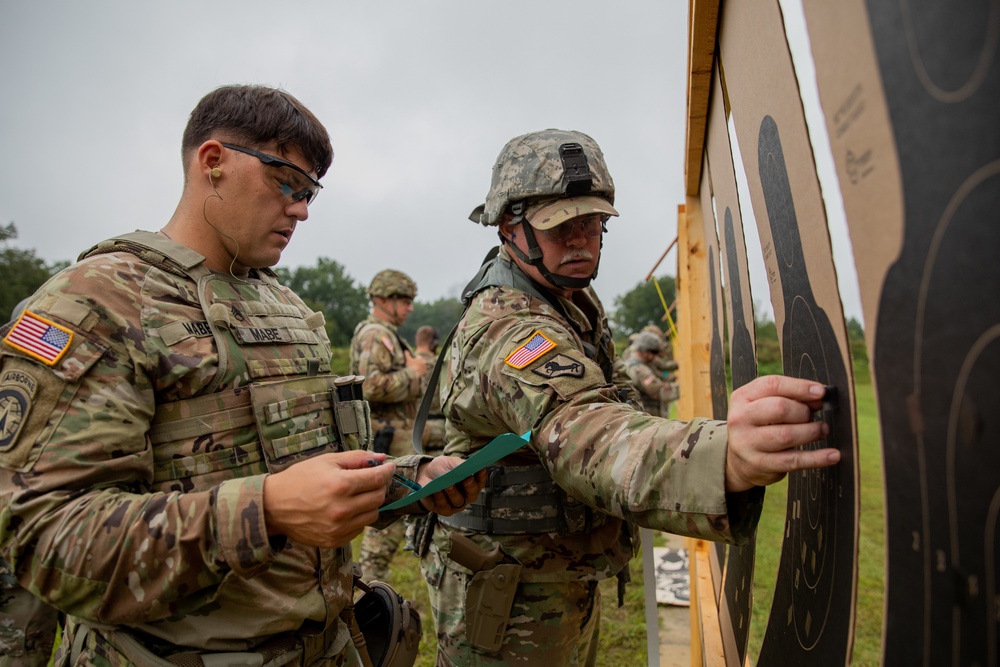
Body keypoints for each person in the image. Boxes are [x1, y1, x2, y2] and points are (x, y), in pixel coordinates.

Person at [0, 84, 486, 666]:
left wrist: (414, 478)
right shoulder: (98, 304)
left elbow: (311, 476)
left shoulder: (284, 308)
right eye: (286, 184)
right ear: (214, 163)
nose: (301, 209)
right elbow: (42, 537)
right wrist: (267, 509)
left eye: (310, 194)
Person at [417, 129, 840, 665]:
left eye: (592, 223)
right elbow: (584, 429)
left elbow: (611, 399)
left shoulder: (569, 298)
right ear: (510, 228)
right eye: (559, 226)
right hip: (510, 595)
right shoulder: (511, 330)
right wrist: (720, 457)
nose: (580, 240)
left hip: (554, 570)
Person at [350, 269, 428, 583]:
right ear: (382, 299)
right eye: (403, 300)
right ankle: (369, 587)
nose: (409, 307)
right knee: (388, 518)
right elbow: (370, 386)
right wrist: (414, 373)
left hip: (397, 437)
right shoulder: (375, 334)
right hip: (389, 440)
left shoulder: (388, 335)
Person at [624, 330, 679, 418]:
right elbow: (659, 391)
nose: (655, 356)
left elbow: (662, 372)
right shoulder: (639, 370)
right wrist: (685, 387)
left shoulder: (639, 364)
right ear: (644, 351)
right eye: (653, 352)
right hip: (647, 420)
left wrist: (670, 377)